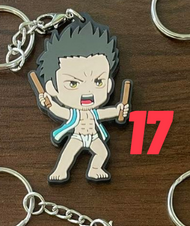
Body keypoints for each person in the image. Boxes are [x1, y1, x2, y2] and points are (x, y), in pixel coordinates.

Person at [34, 14, 130, 183]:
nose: (88, 92)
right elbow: (58, 110)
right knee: (68, 154)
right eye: (73, 84)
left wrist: (119, 110)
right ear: (53, 88)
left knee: (103, 153)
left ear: (109, 84)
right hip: (77, 136)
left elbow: (107, 113)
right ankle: (60, 171)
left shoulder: (94, 113)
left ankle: (95, 169)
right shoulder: (73, 114)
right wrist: (48, 103)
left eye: (98, 82)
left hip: (94, 137)